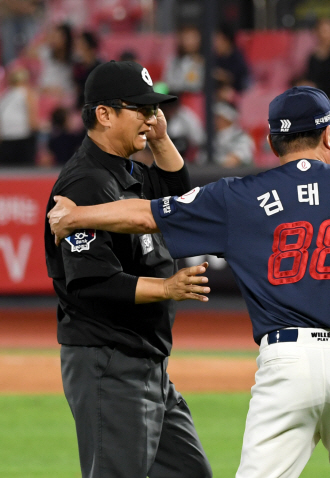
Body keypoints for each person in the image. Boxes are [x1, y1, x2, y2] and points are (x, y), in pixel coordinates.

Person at [48, 85, 330, 478]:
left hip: (288, 364)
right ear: (329, 136)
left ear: (274, 143)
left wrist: (77, 216)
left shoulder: (238, 197)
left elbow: (146, 215)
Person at [43, 60, 212, 478]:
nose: (152, 116)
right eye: (140, 108)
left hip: (146, 363)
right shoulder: (84, 184)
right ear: (104, 114)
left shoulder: (126, 170)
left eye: (154, 108)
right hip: (109, 362)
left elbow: (179, 200)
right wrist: (167, 288)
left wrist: (160, 140)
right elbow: (93, 283)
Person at [0, 66, 39, 166]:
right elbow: (32, 121)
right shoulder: (27, 93)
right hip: (23, 139)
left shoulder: (5, 96)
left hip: (6, 140)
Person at [212, 101, 254, 167]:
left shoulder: (241, 136)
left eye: (218, 117)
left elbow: (234, 159)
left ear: (226, 119)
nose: (215, 120)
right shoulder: (211, 136)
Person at [164, 25, 204, 93]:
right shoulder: (174, 61)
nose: (190, 42)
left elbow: (197, 85)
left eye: (193, 38)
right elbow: (168, 82)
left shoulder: (203, 61)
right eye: (186, 38)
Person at [213, 24, 250, 93]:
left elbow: (236, 78)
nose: (214, 43)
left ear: (226, 40)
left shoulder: (237, 58)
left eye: (217, 39)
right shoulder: (215, 58)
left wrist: (220, 75)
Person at [72, 31, 101, 108]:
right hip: (80, 106)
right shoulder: (77, 67)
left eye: (81, 44)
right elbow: (77, 89)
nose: (78, 48)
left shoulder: (100, 68)